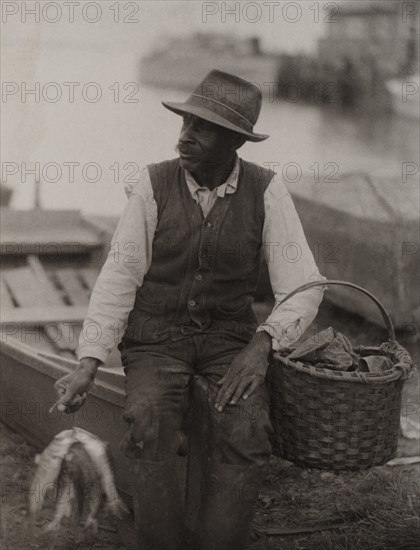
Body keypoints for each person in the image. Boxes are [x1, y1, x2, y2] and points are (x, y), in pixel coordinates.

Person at [54, 70, 325, 550]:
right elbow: (119, 277)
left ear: (234, 142)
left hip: (230, 342)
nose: (185, 136)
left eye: (202, 128)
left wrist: (262, 344)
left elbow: (304, 283)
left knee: (248, 426)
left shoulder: (266, 190)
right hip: (156, 337)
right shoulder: (153, 184)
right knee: (147, 419)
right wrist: (88, 361)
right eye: (184, 123)